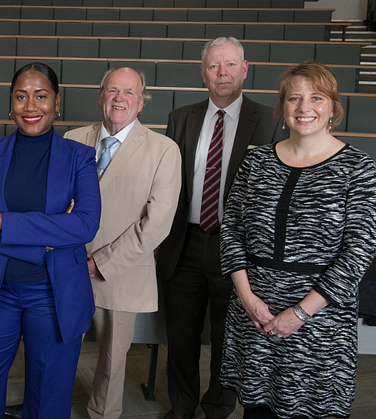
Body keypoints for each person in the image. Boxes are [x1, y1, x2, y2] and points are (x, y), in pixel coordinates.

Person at [219, 62, 376, 419]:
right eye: (294, 98)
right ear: (283, 107)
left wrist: (299, 313)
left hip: (319, 322)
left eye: (316, 98)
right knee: (257, 409)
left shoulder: (358, 168)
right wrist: (248, 299)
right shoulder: (257, 161)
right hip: (256, 312)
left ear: (333, 108)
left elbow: (358, 251)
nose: (304, 107)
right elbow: (231, 228)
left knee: (308, 408)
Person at [0, 62, 102, 419]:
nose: (31, 106)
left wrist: (3, 221)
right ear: (11, 102)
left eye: (41, 95)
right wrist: (50, 233)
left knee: (48, 398)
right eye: (21, 96)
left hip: (54, 295)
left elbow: (85, 225)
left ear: (57, 101)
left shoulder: (79, 157)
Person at [157, 36, 288, 419]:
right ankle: (182, 405)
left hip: (240, 250)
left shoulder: (269, 120)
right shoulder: (181, 117)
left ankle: (217, 407)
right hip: (185, 241)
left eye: (230, 65)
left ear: (245, 70)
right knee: (181, 334)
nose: (222, 73)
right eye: (214, 66)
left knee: (227, 336)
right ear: (203, 73)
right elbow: (169, 184)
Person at [66, 67, 181, 419]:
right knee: (55, 350)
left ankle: (103, 415)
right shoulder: (71, 139)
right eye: (113, 90)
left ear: (142, 102)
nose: (120, 99)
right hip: (65, 270)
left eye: (129, 92)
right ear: (101, 96)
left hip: (121, 273)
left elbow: (156, 224)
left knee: (112, 362)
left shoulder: (164, 150)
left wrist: (99, 262)